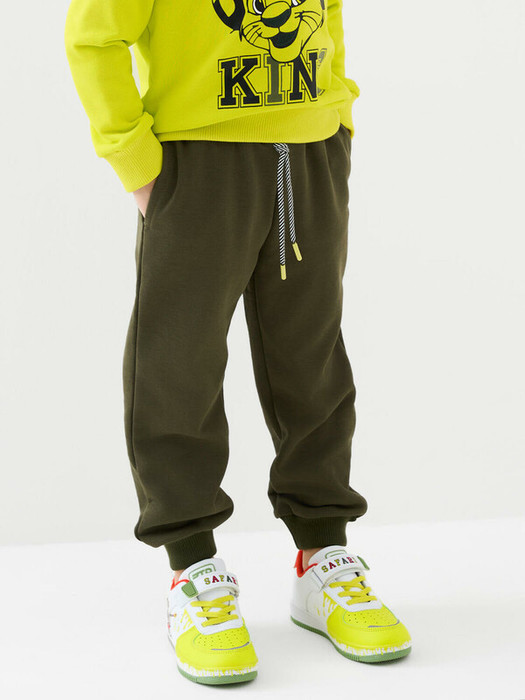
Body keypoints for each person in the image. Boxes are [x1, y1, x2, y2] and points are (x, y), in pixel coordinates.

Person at [64, 0, 411, 686]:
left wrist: (338, 112)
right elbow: (93, 37)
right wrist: (135, 159)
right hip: (195, 159)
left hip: (309, 151)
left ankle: (322, 557)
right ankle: (192, 567)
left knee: (311, 357)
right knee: (178, 362)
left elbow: (327, 12)